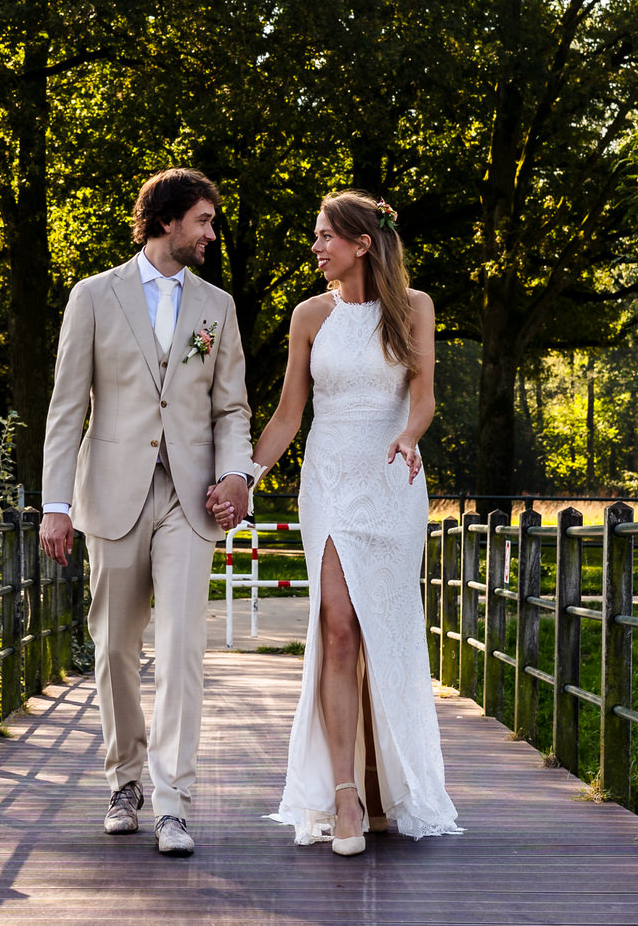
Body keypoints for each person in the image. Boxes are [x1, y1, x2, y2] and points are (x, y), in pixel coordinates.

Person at [38, 167, 256, 857]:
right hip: (112, 491)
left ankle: (173, 802)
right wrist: (55, 505)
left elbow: (232, 408)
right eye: (203, 220)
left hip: (190, 499)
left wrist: (236, 474)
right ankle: (123, 781)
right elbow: (67, 407)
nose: (211, 234)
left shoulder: (218, 306)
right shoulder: (93, 295)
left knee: (183, 646)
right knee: (113, 647)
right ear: (167, 221)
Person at [254, 191, 461, 853]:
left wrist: (409, 436)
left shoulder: (415, 308)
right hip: (330, 483)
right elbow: (288, 415)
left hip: (392, 481)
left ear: (362, 243)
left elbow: (423, 400)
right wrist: (243, 476)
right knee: (338, 627)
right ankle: (344, 793)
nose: (316, 247)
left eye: (326, 236)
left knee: (382, 634)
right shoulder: (309, 315)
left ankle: (382, 783)